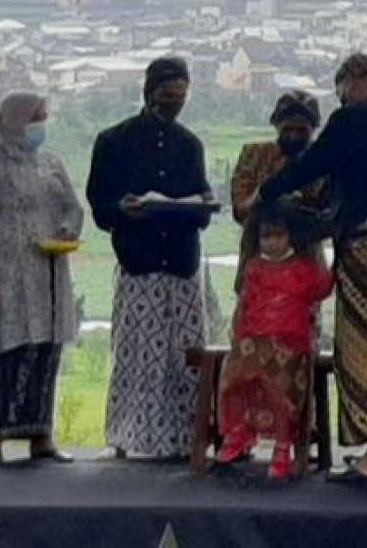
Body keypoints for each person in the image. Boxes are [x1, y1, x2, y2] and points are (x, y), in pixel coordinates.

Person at [256, 53, 367, 483]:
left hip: (366, 246)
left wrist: (267, 192)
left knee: (364, 347)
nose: (340, 99)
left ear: (352, 81)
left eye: (340, 91)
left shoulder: (351, 120)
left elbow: (312, 164)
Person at [86, 56, 219, 459]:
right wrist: (123, 210)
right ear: (149, 91)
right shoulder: (114, 141)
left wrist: (202, 205)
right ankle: (128, 436)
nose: (172, 102)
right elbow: (100, 207)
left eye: (179, 95)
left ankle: (185, 438)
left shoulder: (190, 145)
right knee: (137, 357)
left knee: (184, 359)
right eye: (166, 94)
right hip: (139, 263)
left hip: (181, 265)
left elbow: (201, 205)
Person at [0, 93, 83, 464]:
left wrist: (67, 229)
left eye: (44, 118)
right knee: (3, 354)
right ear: (16, 121)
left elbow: (73, 207)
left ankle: (41, 435)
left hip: (48, 273)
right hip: (7, 277)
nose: (40, 126)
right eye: (36, 118)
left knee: (45, 351)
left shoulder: (50, 163)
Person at [214, 206, 333, 480]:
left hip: (290, 343)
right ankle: (238, 432)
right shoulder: (254, 268)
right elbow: (244, 303)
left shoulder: (305, 268)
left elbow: (322, 289)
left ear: (292, 236)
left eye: (278, 236)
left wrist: (335, 265)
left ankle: (283, 444)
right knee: (234, 374)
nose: (272, 243)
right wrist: (238, 334)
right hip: (254, 339)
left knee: (282, 385)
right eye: (266, 236)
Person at [229, 91, 328, 289]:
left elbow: (329, 217)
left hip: (305, 270)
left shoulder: (322, 162)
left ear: (314, 129)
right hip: (258, 264)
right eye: (288, 129)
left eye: (302, 131)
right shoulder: (254, 155)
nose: (294, 136)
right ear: (276, 125)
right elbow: (240, 208)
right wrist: (267, 199)